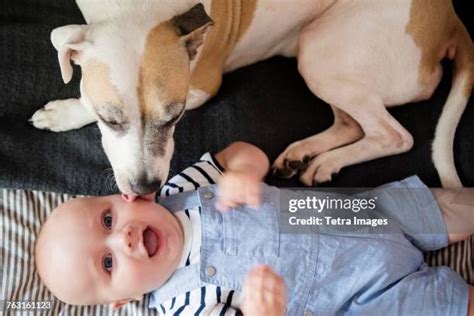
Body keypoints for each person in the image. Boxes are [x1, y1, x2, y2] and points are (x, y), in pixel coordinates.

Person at [35, 142, 473, 315]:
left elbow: (242, 152)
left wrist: (245, 170)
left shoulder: (179, 188)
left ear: (128, 196)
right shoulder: (181, 307)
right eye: (108, 262)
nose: (123, 237)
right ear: (125, 301)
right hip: (361, 295)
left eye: (108, 220)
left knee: (460, 207)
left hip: (359, 213)